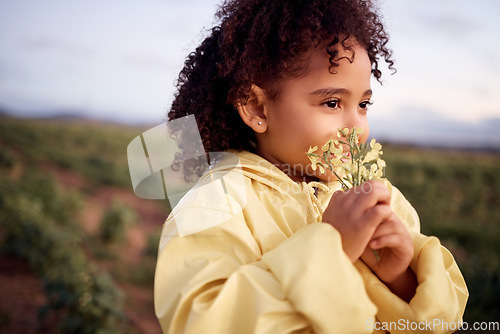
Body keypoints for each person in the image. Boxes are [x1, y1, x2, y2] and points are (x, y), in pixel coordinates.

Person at [154, 0, 468, 333]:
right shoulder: (217, 203)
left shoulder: (377, 197)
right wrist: (331, 245)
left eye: (363, 104)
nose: (356, 127)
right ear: (257, 108)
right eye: (332, 103)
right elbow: (201, 322)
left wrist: (399, 276)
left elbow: (441, 319)